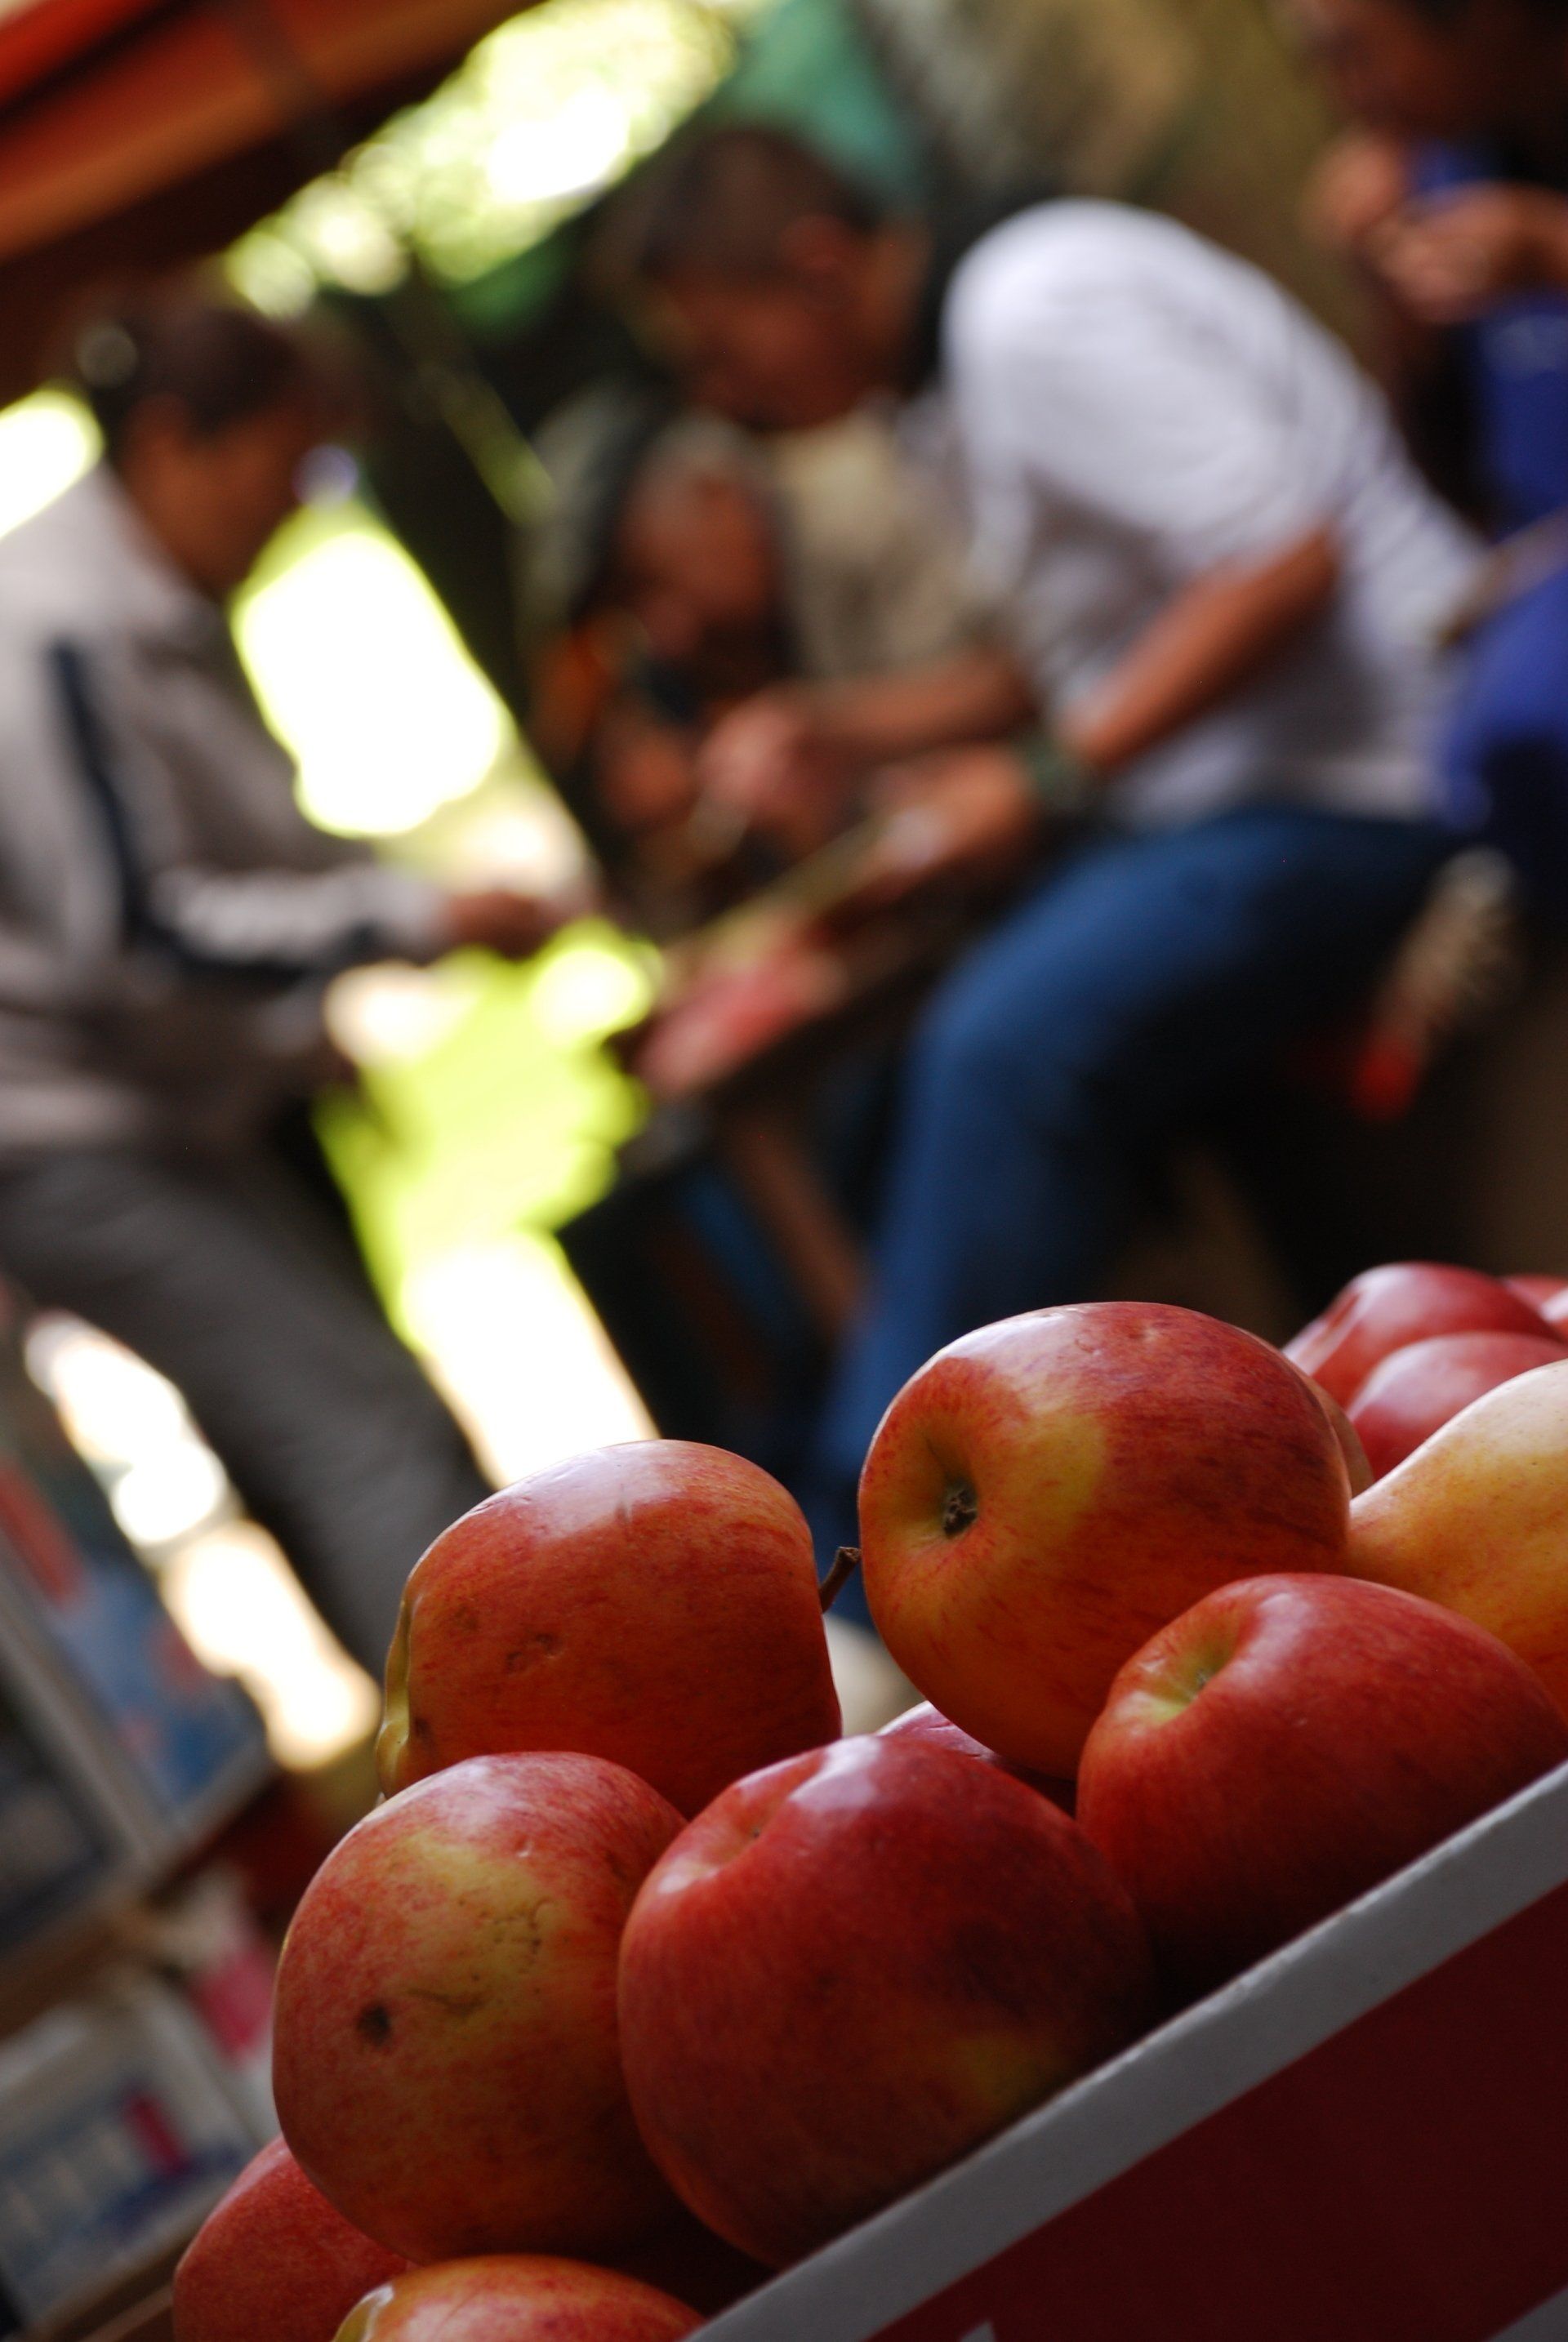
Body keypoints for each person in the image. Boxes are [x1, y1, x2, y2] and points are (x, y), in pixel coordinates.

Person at [599, 126, 1481, 1508]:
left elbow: (1279, 556)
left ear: (817, 267)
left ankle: (877, 1539)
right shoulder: (946, 386)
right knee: (887, 1088)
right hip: (1222, 806)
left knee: (998, 1046)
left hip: (1371, 781)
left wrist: (1050, 781)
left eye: (724, 350)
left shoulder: (1033, 312)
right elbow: (1064, 659)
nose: (725, 397)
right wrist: (845, 726)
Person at [0, 285, 564, 1676]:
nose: (296, 505)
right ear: (178, 442)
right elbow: (137, 934)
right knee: (366, 1429)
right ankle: (525, 1786)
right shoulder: (62, 622)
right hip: (69, 1134)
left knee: (334, 1422)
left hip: (141, 1113)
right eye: (288, 462)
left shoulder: (136, 600)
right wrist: (415, 915)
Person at [1290, 0, 1568, 908]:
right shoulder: (1449, 173)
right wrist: (1394, 313)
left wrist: (1551, 251)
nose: (1346, 98)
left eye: (1355, 57)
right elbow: (1467, 487)